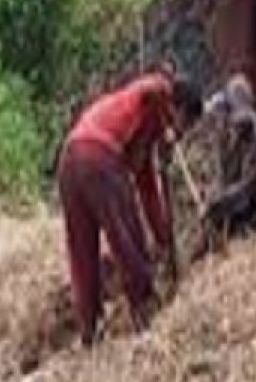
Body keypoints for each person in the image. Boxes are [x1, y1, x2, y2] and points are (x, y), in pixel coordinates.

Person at [56, 68, 203, 346]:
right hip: (97, 154)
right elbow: (153, 90)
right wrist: (168, 117)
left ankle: (90, 329)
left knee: (83, 249)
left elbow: (149, 194)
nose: (184, 134)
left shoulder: (144, 137)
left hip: (70, 158)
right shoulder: (156, 95)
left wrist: (164, 238)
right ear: (179, 110)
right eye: (187, 125)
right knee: (127, 234)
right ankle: (146, 309)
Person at [199, 73, 256, 246]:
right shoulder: (223, 118)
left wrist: (218, 202)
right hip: (230, 189)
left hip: (247, 197)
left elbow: (246, 185)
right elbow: (222, 171)